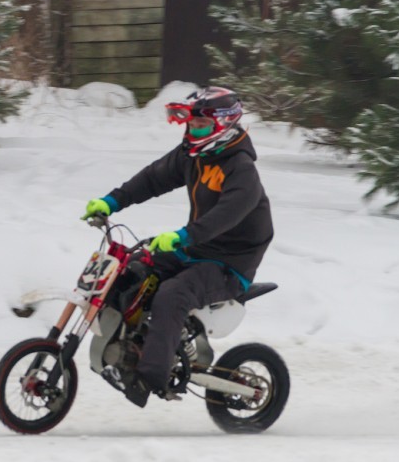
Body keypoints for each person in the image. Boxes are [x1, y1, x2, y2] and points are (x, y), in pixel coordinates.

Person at [82, 86, 274, 400]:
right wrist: (111, 201)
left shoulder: (241, 169)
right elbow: (153, 178)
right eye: (190, 124)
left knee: (172, 294)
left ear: (223, 125)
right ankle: (130, 348)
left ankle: (150, 378)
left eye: (200, 125)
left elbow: (225, 216)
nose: (192, 130)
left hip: (230, 262)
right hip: (196, 249)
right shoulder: (193, 156)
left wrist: (183, 237)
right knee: (132, 269)